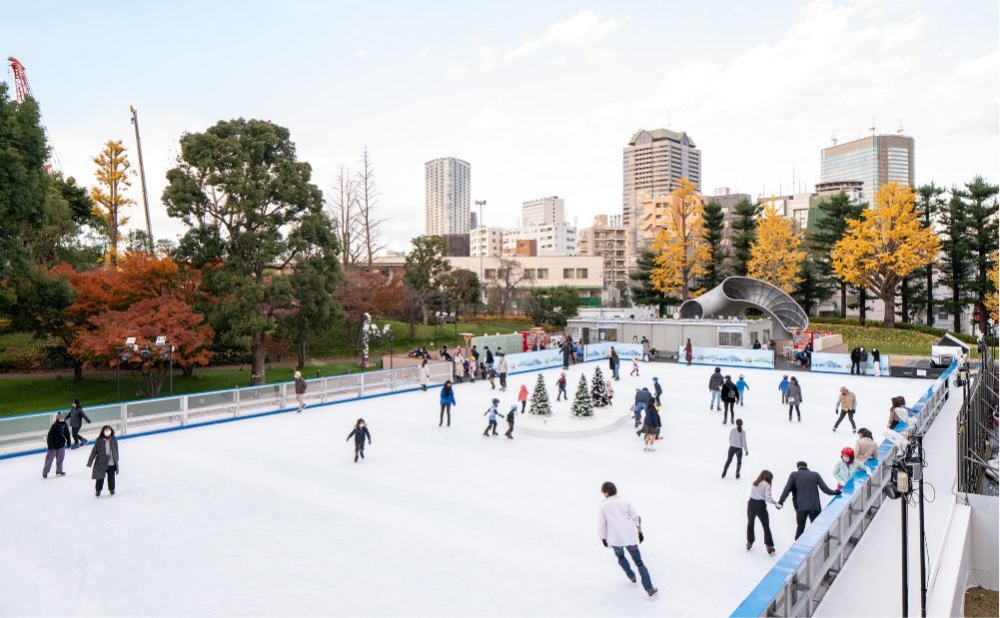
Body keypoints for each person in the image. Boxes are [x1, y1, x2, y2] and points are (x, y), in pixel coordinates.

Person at [597, 481, 658, 598]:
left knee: (620, 556)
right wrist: (640, 532)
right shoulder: (625, 502)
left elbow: (601, 525)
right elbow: (636, 517)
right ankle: (649, 588)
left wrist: (603, 538)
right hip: (630, 538)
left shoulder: (603, 506)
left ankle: (631, 575)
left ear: (605, 493)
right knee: (639, 563)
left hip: (615, 540)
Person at [777, 461, 841, 540]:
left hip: (800, 507)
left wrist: (781, 502)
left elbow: (786, 490)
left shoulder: (794, 475)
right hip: (815, 507)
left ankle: (797, 547)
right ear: (806, 467)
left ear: (798, 467)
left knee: (800, 528)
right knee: (815, 529)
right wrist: (835, 492)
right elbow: (825, 489)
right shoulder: (815, 474)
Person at [747, 470, 779, 555]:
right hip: (760, 505)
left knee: (750, 523)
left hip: (751, 504)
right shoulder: (767, 484)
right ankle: (769, 546)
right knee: (765, 526)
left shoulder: (755, 483)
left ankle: (749, 542)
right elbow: (768, 499)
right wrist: (775, 503)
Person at [86, 425, 119, 497]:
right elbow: (94, 452)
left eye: (109, 430)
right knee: (100, 477)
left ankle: (112, 489)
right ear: (103, 431)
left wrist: (116, 459)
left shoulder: (113, 439)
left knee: (111, 477)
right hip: (101, 462)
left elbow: (116, 449)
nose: (108, 431)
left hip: (111, 462)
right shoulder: (99, 440)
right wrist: (90, 462)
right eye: (106, 430)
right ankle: (98, 490)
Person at [42, 414, 69, 479]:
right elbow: (49, 437)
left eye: (63, 418)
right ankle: (45, 472)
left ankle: (59, 471)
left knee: (60, 459)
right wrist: (51, 446)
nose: (63, 420)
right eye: (61, 419)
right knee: (49, 460)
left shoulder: (65, 425)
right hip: (53, 446)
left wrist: (68, 442)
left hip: (61, 445)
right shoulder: (54, 426)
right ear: (58, 419)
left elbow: (67, 433)